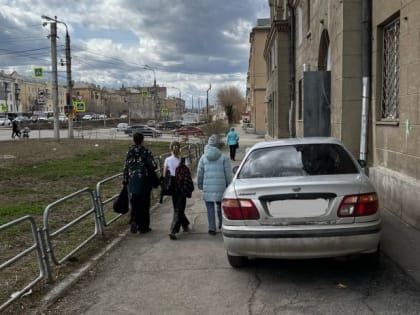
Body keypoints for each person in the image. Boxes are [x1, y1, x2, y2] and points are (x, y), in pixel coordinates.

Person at [123, 132, 159, 234]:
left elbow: (125, 167)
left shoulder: (129, 152)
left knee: (134, 204)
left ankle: (134, 221)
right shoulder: (146, 152)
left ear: (133, 140)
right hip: (144, 181)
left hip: (132, 181)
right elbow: (153, 165)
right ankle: (144, 227)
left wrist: (125, 179)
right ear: (142, 140)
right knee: (145, 204)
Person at [197, 134, 232, 235]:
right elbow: (228, 174)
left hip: (207, 187)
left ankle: (212, 228)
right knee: (220, 206)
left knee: (209, 207)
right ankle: (221, 225)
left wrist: (200, 185)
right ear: (217, 145)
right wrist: (229, 186)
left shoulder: (203, 158)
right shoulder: (223, 157)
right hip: (221, 187)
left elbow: (200, 173)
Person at [163, 141, 192, 240]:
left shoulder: (167, 160)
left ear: (170, 148)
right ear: (179, 148)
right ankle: (173, 230)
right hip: (182, 186)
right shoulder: (184, 160)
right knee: (180, 208)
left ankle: (185, 225)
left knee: (177, 207)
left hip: (172, 186)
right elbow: (188, 172)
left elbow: (164, 175)